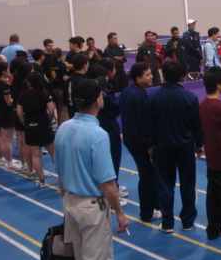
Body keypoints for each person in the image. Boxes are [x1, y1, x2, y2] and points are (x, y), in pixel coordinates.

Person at [54, 78, 129, 260]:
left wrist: (67, 201)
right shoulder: (98, 134)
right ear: (98, 100)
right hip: (92, 209)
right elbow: (107, 183)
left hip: (70, 202)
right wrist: (120, 213)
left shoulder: (63, 128)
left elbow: (60, 173)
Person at [148, 60, 204, 233]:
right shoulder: (189, 97)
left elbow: (149, 125)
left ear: (163, 75)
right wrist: (199, 145)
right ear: (181, 76)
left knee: (165, 186)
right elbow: (196, 125)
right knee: (188, 184)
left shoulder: (153, 97)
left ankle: (167, 223)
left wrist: (150, 146)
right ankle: (188, 222)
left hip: (162, 147)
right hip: (185, 147)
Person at [119, 63, 161, 223]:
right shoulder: (140, 97)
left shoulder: (127, 91)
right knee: (147, 176)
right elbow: (145, 125)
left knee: (147, 175)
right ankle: (147, 213)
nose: (151, 77)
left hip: (130, 139)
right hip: (139, 142)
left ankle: (155, 205)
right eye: (147, 74)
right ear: (138, 78)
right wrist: (150, 148)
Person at [199, 66, 221, 241]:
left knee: (213, 196)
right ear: (218, 85)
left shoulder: (203, 105)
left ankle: (213, 229)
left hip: (211, 159)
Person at [87, 61, 128, 207]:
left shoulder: (103, 88)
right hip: (108, 129)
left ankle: (114, 186)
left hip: (105, 127)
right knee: (110, 162)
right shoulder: (101, 93)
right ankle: (111, 195)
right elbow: (115, 108)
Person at [16, 71, 56, 187]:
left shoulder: (22, 95)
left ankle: (41, 181)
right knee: (53, 153)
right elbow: (51, 111)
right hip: (44, 127)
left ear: (29, 82)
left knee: (36, 155)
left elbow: (19, 113)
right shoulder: (45, 94)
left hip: (30, 128)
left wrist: (25, 124)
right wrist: (49, 121)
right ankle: (63, 177)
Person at [0, 62, 17, 170]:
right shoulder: (4, 86)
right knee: (7, 140)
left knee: (4, 139)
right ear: (4, 71)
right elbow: (9, 102)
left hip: (1, 112)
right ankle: (9, 162)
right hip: (7, 114)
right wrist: (17, 98)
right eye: (8, 69)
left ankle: (7, 160)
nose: (9, 71)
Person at [63, 53, 89, 119]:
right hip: (82, 115)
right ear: (85, 65)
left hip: (71, 113)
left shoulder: (68, 81)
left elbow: (65, 100)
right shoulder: (85, 82)